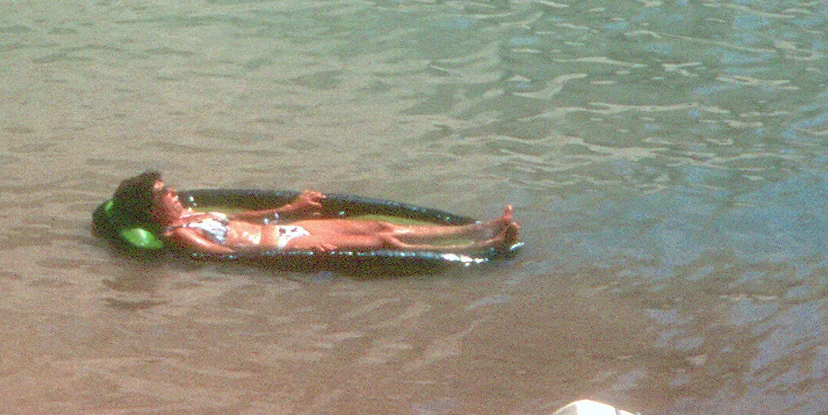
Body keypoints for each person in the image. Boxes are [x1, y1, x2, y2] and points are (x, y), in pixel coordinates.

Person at [105, 171, 519, 259]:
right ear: (150, 209)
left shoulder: (195, 214)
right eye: (164, 193)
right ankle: (485, 245)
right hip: (284, 243)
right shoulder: (180, 235)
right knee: (381, 242)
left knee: (375, 225)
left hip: (286, 227)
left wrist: (288, 209)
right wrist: (301, 255)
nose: (175, 192)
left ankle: (481, 225)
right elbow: (230, 255)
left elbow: (248, 216)